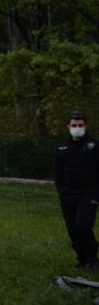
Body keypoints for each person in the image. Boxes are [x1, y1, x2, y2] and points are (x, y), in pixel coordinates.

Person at [53, 111, 99, 271]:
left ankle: (93, 258)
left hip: (89, 193)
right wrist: (61, 189)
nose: (77, 128)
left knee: (83, 226)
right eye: (74, 125)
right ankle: (82, 258)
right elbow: (58, 172)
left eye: (80, 125)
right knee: (72, 228)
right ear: (68, 127)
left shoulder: (94, 146)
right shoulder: (62, 147)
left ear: (85, 126)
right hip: (68, 194)